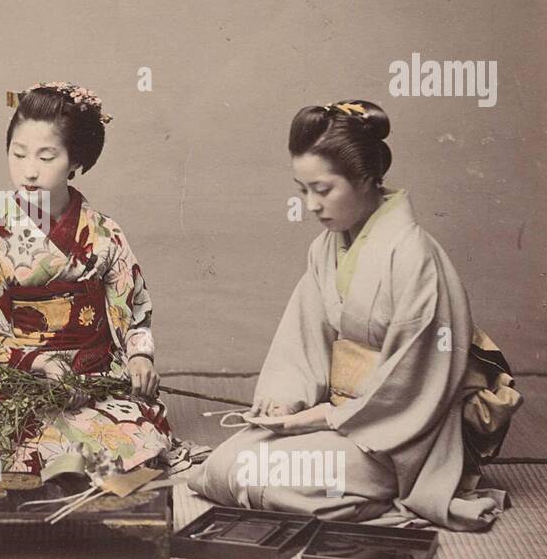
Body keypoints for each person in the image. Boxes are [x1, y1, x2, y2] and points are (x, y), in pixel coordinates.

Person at [188, 100, 514, 530]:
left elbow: (416, 381)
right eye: (302, 190)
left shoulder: (415, 257)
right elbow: (304, 340)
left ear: (366, 179)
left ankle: (382, 491)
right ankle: (340, 485)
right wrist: (285, 400)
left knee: (268, 474)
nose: (310, 205)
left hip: (397, 438)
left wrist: (324, 418)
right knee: (225, 464)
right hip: (341, 417)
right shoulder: (326, 248)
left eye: (323, 190)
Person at [0, 82, 183, 477]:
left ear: (76, 162)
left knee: (135, 437)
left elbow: (135, 308)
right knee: (26, 444)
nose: (29, 170)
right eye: (18, 154)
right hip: (24, 385)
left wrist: (139, 355)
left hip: (94, 382)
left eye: (46, 156)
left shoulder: (105, 234)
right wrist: (38, 363)